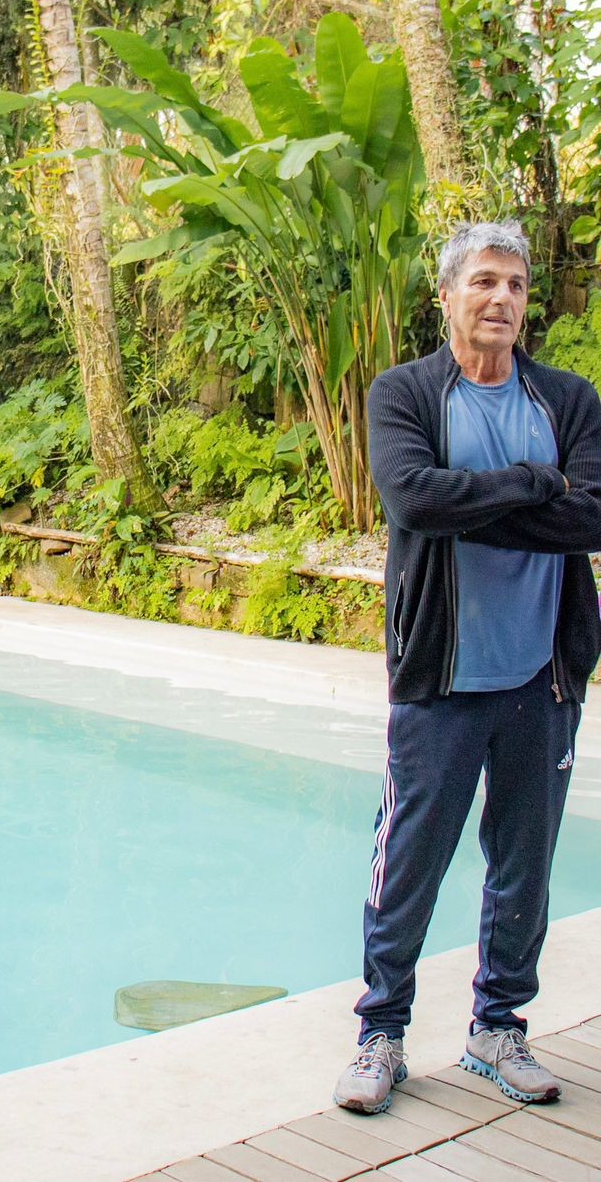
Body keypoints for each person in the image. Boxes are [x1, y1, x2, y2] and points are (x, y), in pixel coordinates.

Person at [333, 220, 601, 1115]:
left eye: (518, 286)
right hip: (440, 678)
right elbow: (413, 495)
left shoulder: (567, 401)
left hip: (543, 678)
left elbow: (591, 519)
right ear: (446, 294)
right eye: (484, 282)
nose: (503, 300)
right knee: (409, 858)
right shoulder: (404, 393)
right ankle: (381, 1034)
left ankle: (499, 1030)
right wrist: (536, 485)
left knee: (524, 863)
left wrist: (472, 502)